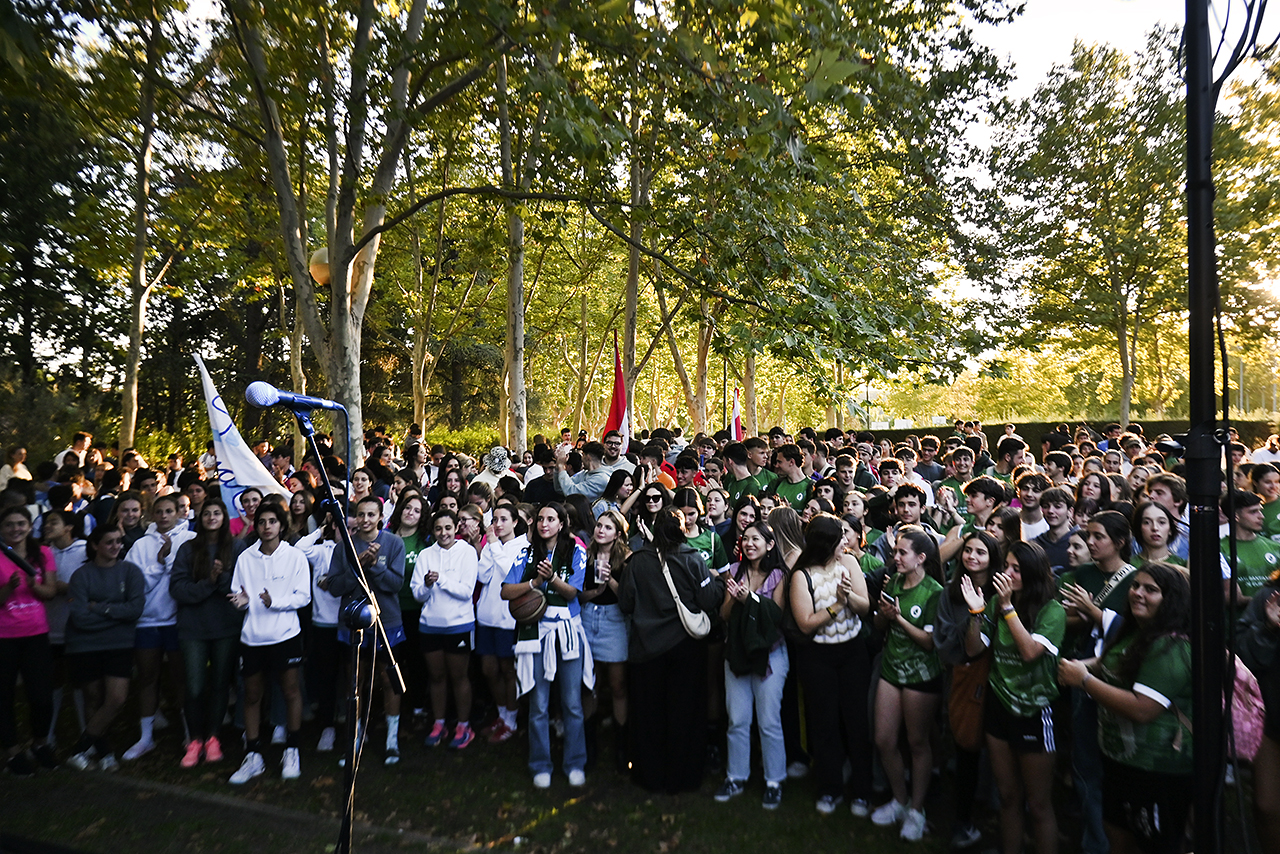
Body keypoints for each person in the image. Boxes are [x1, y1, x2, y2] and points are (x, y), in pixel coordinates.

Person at [1058, 562, 1193, 854]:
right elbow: (1111, 662)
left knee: (1156, 844)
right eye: (1135, 586)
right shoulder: (1135, 632)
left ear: (1171, 600)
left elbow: (1143, 708)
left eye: (1151, 590)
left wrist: (1084, 682)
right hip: (1121, 762)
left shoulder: (1172, 646)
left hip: (1157, 769)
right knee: (1119, 834)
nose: (1138, 594)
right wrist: (1085, 665)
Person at [961, 541, 1065, 854]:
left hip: (1035, 712)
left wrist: (1007, 608)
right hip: (999, 706)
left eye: (1016, 569)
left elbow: (1031, 652)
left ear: (1033, 574)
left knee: (1038, 803)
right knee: (1007, 796)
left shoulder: (1053, 611)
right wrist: (977, 612)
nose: (1007, 573)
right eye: (1006, 566)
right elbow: (973, 649)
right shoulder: (996, 602)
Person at [617, 507, 724, 794]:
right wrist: (719, 583)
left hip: (646, 650)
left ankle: (648, 775)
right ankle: (684, 776)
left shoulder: (638, 562)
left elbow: (626, 603)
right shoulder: (692, 560)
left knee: (648, 715)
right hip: (685, 649)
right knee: (685, 713)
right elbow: (709, 598)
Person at [502, 502, 594, 788]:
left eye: (550, 519)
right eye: (540, 519)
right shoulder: (527, 553)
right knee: (538, 704)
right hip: (535, 632)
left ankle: (575, 761)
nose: (544, 524)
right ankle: (540, 763)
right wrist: (534, 582)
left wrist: (551, 578)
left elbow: (573, 593)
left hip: (567, 630)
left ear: (561, 523)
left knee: (572, 703)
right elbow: (506, 590)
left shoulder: (576, 550)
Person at [787, 513, 874, 815]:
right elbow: (807, 623)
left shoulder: (849, 564)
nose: (846, 542)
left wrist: (849, 597)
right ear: (826, 543)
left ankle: (862, 790)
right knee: (823, 723)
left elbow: (865, 607)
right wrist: (837, 605)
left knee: (857, 721)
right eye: (840, 538)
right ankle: (830, 787)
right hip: (818, 658)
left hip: (852, 653)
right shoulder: (801, 576)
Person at [227, 504, 311, 784]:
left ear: (281, 525)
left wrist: (276, 602)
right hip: (253, 638)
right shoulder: (246, 558)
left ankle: (292, 748)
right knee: (251, 695)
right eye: (261, 521)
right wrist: (241, 602)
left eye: (272, 521)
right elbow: (239, 594)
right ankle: (253, 755)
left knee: (290, 691)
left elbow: (303, 597)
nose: (266, 526)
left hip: (286, 636)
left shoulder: (295, 557)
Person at [871, 526, 944, 840]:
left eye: (902, 552)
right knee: (884, 739)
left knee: (917, 742)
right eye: (895, 551)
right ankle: (899, 800)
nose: (895, 557)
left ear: (921, 558)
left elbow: (929, 643)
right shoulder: (894, 582)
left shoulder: (934, 592)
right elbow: (877, 624)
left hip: (921, 676)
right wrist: (885, 615)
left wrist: (898, 617)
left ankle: (917, 809)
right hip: (891, 668)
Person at [324, 495, 408, 763]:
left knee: (388, 679)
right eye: (361, 514)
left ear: (381, 517)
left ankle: (392, 739)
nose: (366, 520)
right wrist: (359, 565)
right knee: (354, 680)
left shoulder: (394, 543)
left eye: (372, 515)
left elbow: (395, 585)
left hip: (387, 621)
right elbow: (335, 586)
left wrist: (375, 569)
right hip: (352, 622)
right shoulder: (343, 546)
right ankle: (355, 737)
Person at [715, 519, 791, 809]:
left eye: (756, 539)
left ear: (769, 545)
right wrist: (736, 599)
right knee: (737, 719)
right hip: (737, 653)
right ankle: (736, 776)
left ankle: (774, 780)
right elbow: (723, 614)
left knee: (769, 720)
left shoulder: (779, 575)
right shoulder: (734, 572)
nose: (749, 543)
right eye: (745, 539)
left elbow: (778, 615)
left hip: (770, 654)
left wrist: (752, 599)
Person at [933, 530, 1001, 849]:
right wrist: (973, 619)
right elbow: (946, 643)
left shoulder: (1004, 592)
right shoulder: (950, 593)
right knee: (967, 751)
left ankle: (998, 813)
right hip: (964, 681)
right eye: (968, 550)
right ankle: (962, 820)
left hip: (1000, 682)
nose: (972, 557)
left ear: (993, 558)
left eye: (980, 552)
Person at [168, 500, 246, 768]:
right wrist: (207, 583)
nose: (212, 517)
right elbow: (177, 589)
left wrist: (220, 579)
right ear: (199, 519)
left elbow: (240, 587)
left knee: (220, 684)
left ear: (225, 517)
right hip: (193, 628)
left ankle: (213, 738)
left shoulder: (237, 547)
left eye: (217, 513)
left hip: (226, 626)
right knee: (194, 686)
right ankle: (195, 740)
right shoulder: (188, 548)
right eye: (207, 514)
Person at [121, 493, 196, 761]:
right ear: (151, 515)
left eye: (169, 511)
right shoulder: (140, 545)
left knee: (181, 678)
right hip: (148, 621)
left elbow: (190, 577)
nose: (164, 516)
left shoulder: (189, 540)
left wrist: (170, 563)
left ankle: (190, 733)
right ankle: (146, 737)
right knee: (148, 678)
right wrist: (160, 563)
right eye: (159, 512)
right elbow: (134, 585)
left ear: (179, 513)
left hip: (178, 621)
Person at [65, 525, 146, 771]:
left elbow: (134, 610)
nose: (115, 546)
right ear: (95, 545)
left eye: (118, 541)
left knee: (116, 698)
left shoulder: (131, 571)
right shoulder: (81, 575)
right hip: (84, 644)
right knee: (93, 697)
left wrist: (98, 607)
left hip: (119, 644)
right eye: (109, 542)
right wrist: (115, 614)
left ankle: (79, 749)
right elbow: (79, 617)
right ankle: (104, 752)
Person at [411, 508, 479, 752]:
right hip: (430, 625)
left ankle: (463, 725)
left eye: (448, 528)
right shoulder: (426, 555)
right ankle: (439, 723)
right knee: (437, 677)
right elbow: (417, 594)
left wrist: (440, 579)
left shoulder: (468, 552)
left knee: (459, 677)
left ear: (455, 528)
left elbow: (466, 591)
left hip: (458, 625)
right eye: (438, 529)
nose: (443, 533)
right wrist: (427, 586)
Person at [0, 506, 58, 775]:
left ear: (29, 526)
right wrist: (8, 589)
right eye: (10, 525)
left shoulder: (42, 553)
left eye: (21, 523)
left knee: (41, 696)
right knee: (4, 696)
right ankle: (12, 752)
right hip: (4, 637)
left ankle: (40, 743)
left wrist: (33, 585)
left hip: (36, 634)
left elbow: (50, 591)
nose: (16, 529)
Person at [579, 509, 632, 771]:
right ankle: (589, 745)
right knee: (589, 683)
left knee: (618, 684)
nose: (601, 530)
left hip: (615, 621)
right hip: (589, 617)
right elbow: (577, 595)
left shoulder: (627, 559)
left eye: (608, 527)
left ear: (618, 534)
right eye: (599, 526)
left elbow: (629, 599)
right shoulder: (584, 556)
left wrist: (609, 579)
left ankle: (622, 747)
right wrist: (595, 591)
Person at [475, 504, 527, 744]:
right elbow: (483, 575)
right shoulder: (492, 546)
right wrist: (489, 549)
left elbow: (510, 573)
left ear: (515, 522)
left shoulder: (523, 546)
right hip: (486, 616)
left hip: (508, 619)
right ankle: (502, 713)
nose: (498, 523)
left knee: (508, 671)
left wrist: (494, 545)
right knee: (488, 669)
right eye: (495, 519)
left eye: (504, 519)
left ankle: (512, 720)